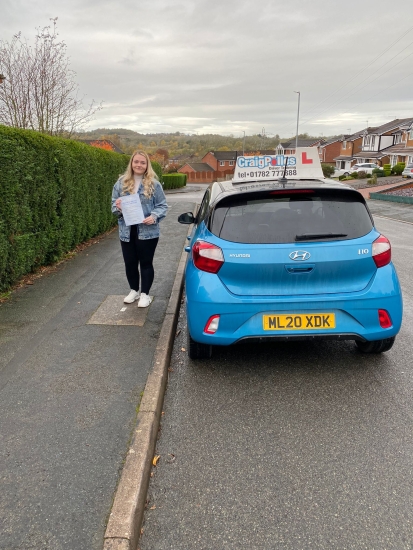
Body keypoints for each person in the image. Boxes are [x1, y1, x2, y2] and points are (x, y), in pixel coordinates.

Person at [111, 151, 168, 307]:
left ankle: (145, 294)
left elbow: (162, 205)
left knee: (146, 263)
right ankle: (134, 291)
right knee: (129, 262)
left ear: (147, 165)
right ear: (131, 163)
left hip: (148, 231)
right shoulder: (121, 183)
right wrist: (118, 208)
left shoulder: (154, 184)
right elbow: (113, 206)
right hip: (127, 231)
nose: (139, 165)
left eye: (142, 162)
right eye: (136, 162)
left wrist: (154, 216)